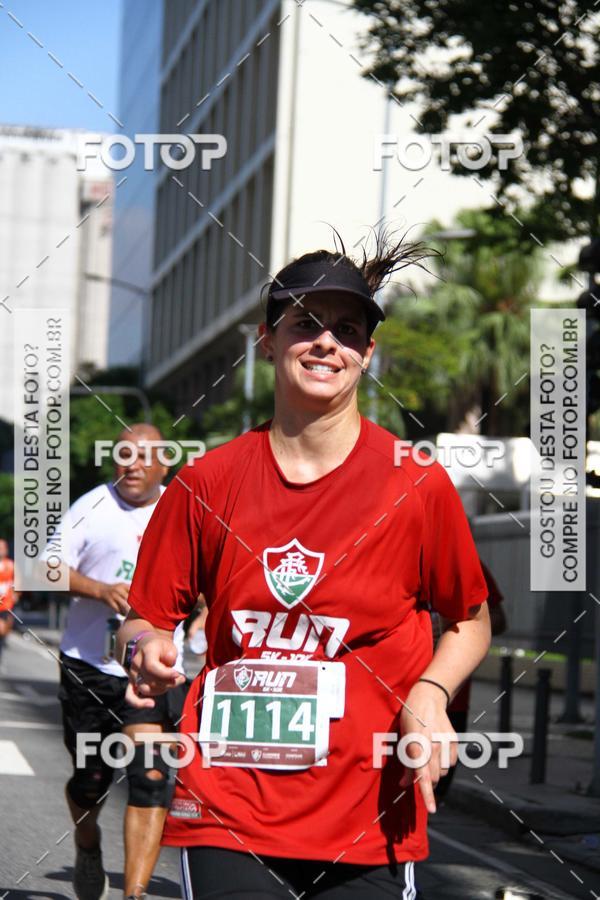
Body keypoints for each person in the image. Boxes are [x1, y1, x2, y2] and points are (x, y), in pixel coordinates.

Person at [117, 238, 492, 900]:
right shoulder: (207, 481)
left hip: (368, 812)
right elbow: (145, 617)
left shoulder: (415, 484)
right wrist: (144, 646)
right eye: (306, 323)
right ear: (268, 341)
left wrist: (432, 692)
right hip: (228, 806)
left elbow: (470, 619)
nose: (326, 342)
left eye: (347, 330)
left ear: (367, 353)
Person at [50, 424, 188, 900]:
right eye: (124, 455)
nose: (132, 465)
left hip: (153, 670)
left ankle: (134, 893)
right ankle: (88, 844)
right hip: (89, 667)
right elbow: (43, 567)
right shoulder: (91, 507)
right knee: (90, 782)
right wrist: (99, 589)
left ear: (165, 465)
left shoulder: (182, 508)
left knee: (151, 777)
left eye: (144, 456)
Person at [434, 560, 507, 800]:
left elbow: (498, 618)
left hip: (451, 698)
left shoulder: (465, 561)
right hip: (394, 694)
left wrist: (453, 625)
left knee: (438, 785)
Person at [0, 539, 17, 667]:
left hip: (5, 606)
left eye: (2, 548)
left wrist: (16, 594)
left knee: (3, 632)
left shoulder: (11, 565)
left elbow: (18, 582)